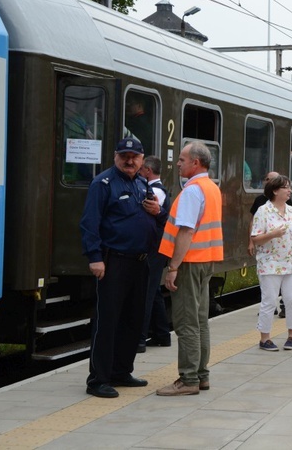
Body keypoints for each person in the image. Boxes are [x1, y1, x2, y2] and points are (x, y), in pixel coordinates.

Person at [80, 138, 167, 398]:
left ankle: (121, 371)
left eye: (135, 156)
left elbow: (157, 218)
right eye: (124, 156)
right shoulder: (103, 184)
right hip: (113, 261)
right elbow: (89, 223)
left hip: (141, 262)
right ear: (116, 156)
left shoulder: (142, 184)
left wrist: (159, 213)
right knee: (107, 320)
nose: (130, 161)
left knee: (133, 319)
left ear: (142, 160)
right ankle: (98, 379)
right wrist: (95, 257)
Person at [156, 142, 224, 396]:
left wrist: (173, 267)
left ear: (196, 163)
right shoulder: (211, 188)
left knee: (186, 322)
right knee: (200, 321)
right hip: (207, 261)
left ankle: (188, 379)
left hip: (189, 262)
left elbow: (186, 231)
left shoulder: (193, 191)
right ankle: (201, 375)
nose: (178, 163)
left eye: (183, 159)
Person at [250, 175, 292, 352]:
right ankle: (265, 338)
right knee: (269, 301)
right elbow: (255, 239)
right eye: (286, 187)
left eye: (289, 187)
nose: (289, 190)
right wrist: (273, 234)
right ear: (275, 190)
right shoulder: (263, 211)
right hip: (270, 263)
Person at [137, 155, 172, 353]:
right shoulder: (158, 189)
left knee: (146, 293)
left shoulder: (155, 192)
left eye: (141, 170)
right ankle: (162, 334)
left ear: (147, 171)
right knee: (155, 292)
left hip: (153, 249)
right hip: (157, 249)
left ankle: (139, 339)